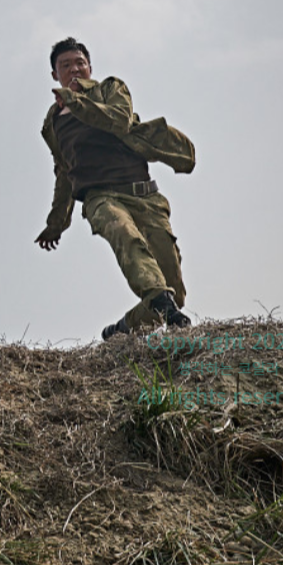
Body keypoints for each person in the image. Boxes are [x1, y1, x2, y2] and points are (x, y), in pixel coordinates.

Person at [34, 37, 196, 340]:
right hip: (100, 198)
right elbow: (64, 173)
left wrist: (77, 102)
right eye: (65, 65)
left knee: (173, 290)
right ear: (55, 75)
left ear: (90, 68)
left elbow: (119, 121)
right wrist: (55, 224)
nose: (74, 70)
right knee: (125, 235)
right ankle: (162, 304)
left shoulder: (111, 89)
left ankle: (123, 329)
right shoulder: (53, 123)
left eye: (79, 63)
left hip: (145, 195)